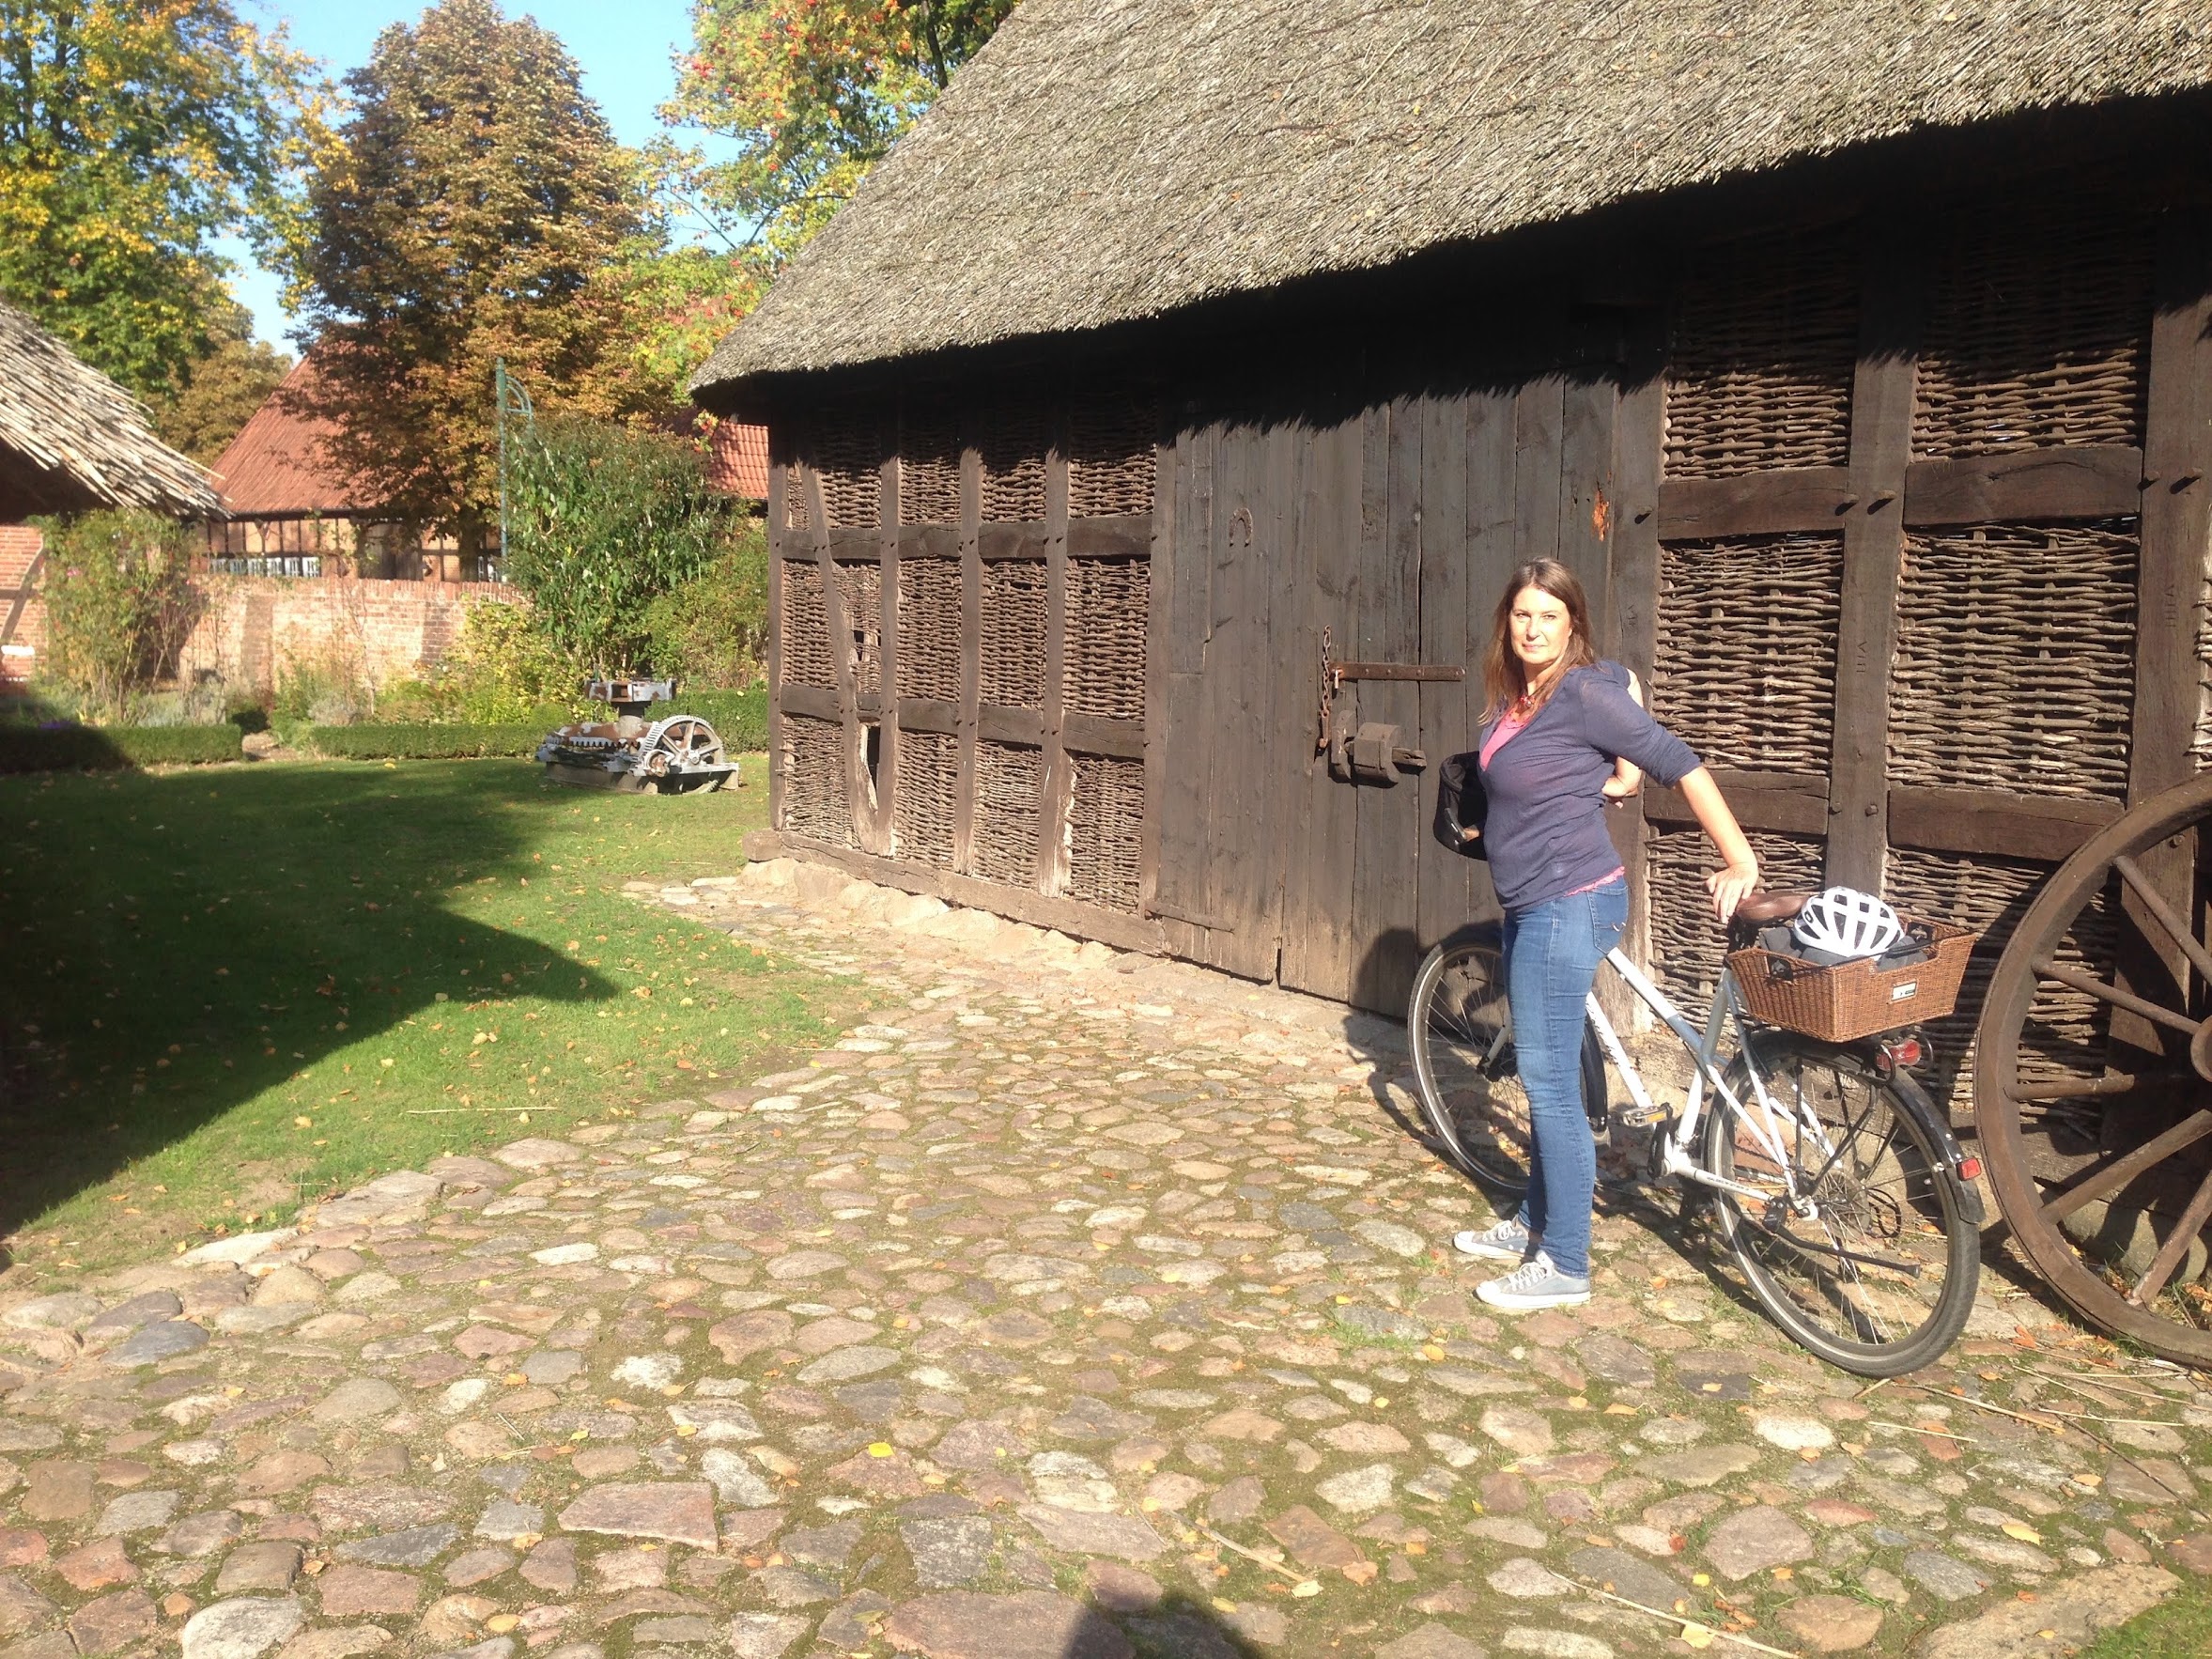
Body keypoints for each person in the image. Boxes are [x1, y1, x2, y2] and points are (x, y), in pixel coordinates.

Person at [1447, 559, 1759, 1311]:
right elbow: (1626, 687)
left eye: (1549, 617)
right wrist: (1615, 776)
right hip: (1529, 901)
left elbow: (1678, 762)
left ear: (1571, 626)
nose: (1532, 628)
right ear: (1506, 622)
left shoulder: (1582, 692)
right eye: (1522, 615)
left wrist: (1737, 858)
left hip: (1569, 901)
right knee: (1546, 1070)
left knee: (1548, 1083)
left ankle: (1563, 1262)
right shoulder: (1525, 698)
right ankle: (1533, 1215)